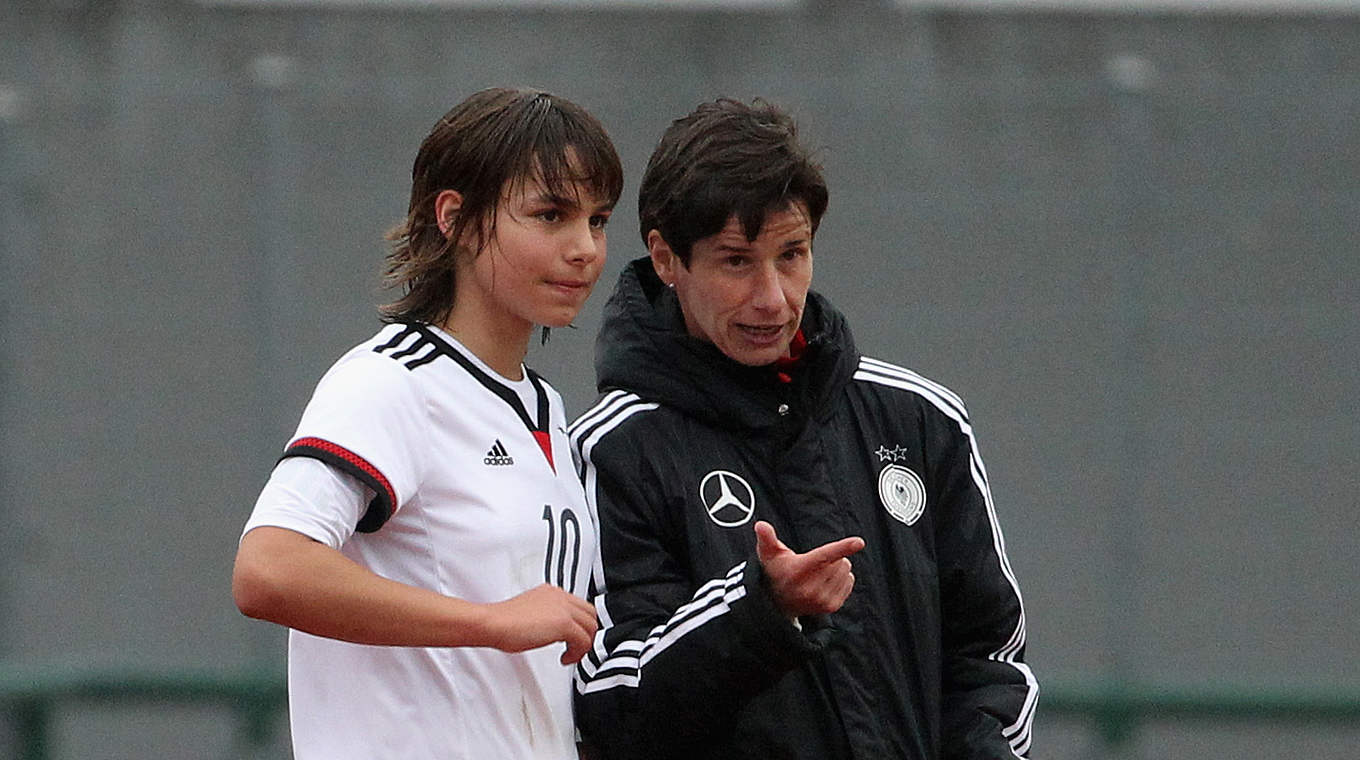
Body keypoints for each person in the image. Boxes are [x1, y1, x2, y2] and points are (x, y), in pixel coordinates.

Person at [568, 98, 1037, 760]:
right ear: (667, 260)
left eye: (792, 254)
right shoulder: (607, 452)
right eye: (736, 261)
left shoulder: (922, 421)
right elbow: (608, 706)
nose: (773, 296)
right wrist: (759, 613)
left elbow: (991, 657)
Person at [232, 87, 622, 760]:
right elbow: (269, 569)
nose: (584, 246)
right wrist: (490, 623)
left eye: (598, 219)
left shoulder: (551, 416)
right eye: (550, 214)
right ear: (456, 218)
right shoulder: (390, 381)